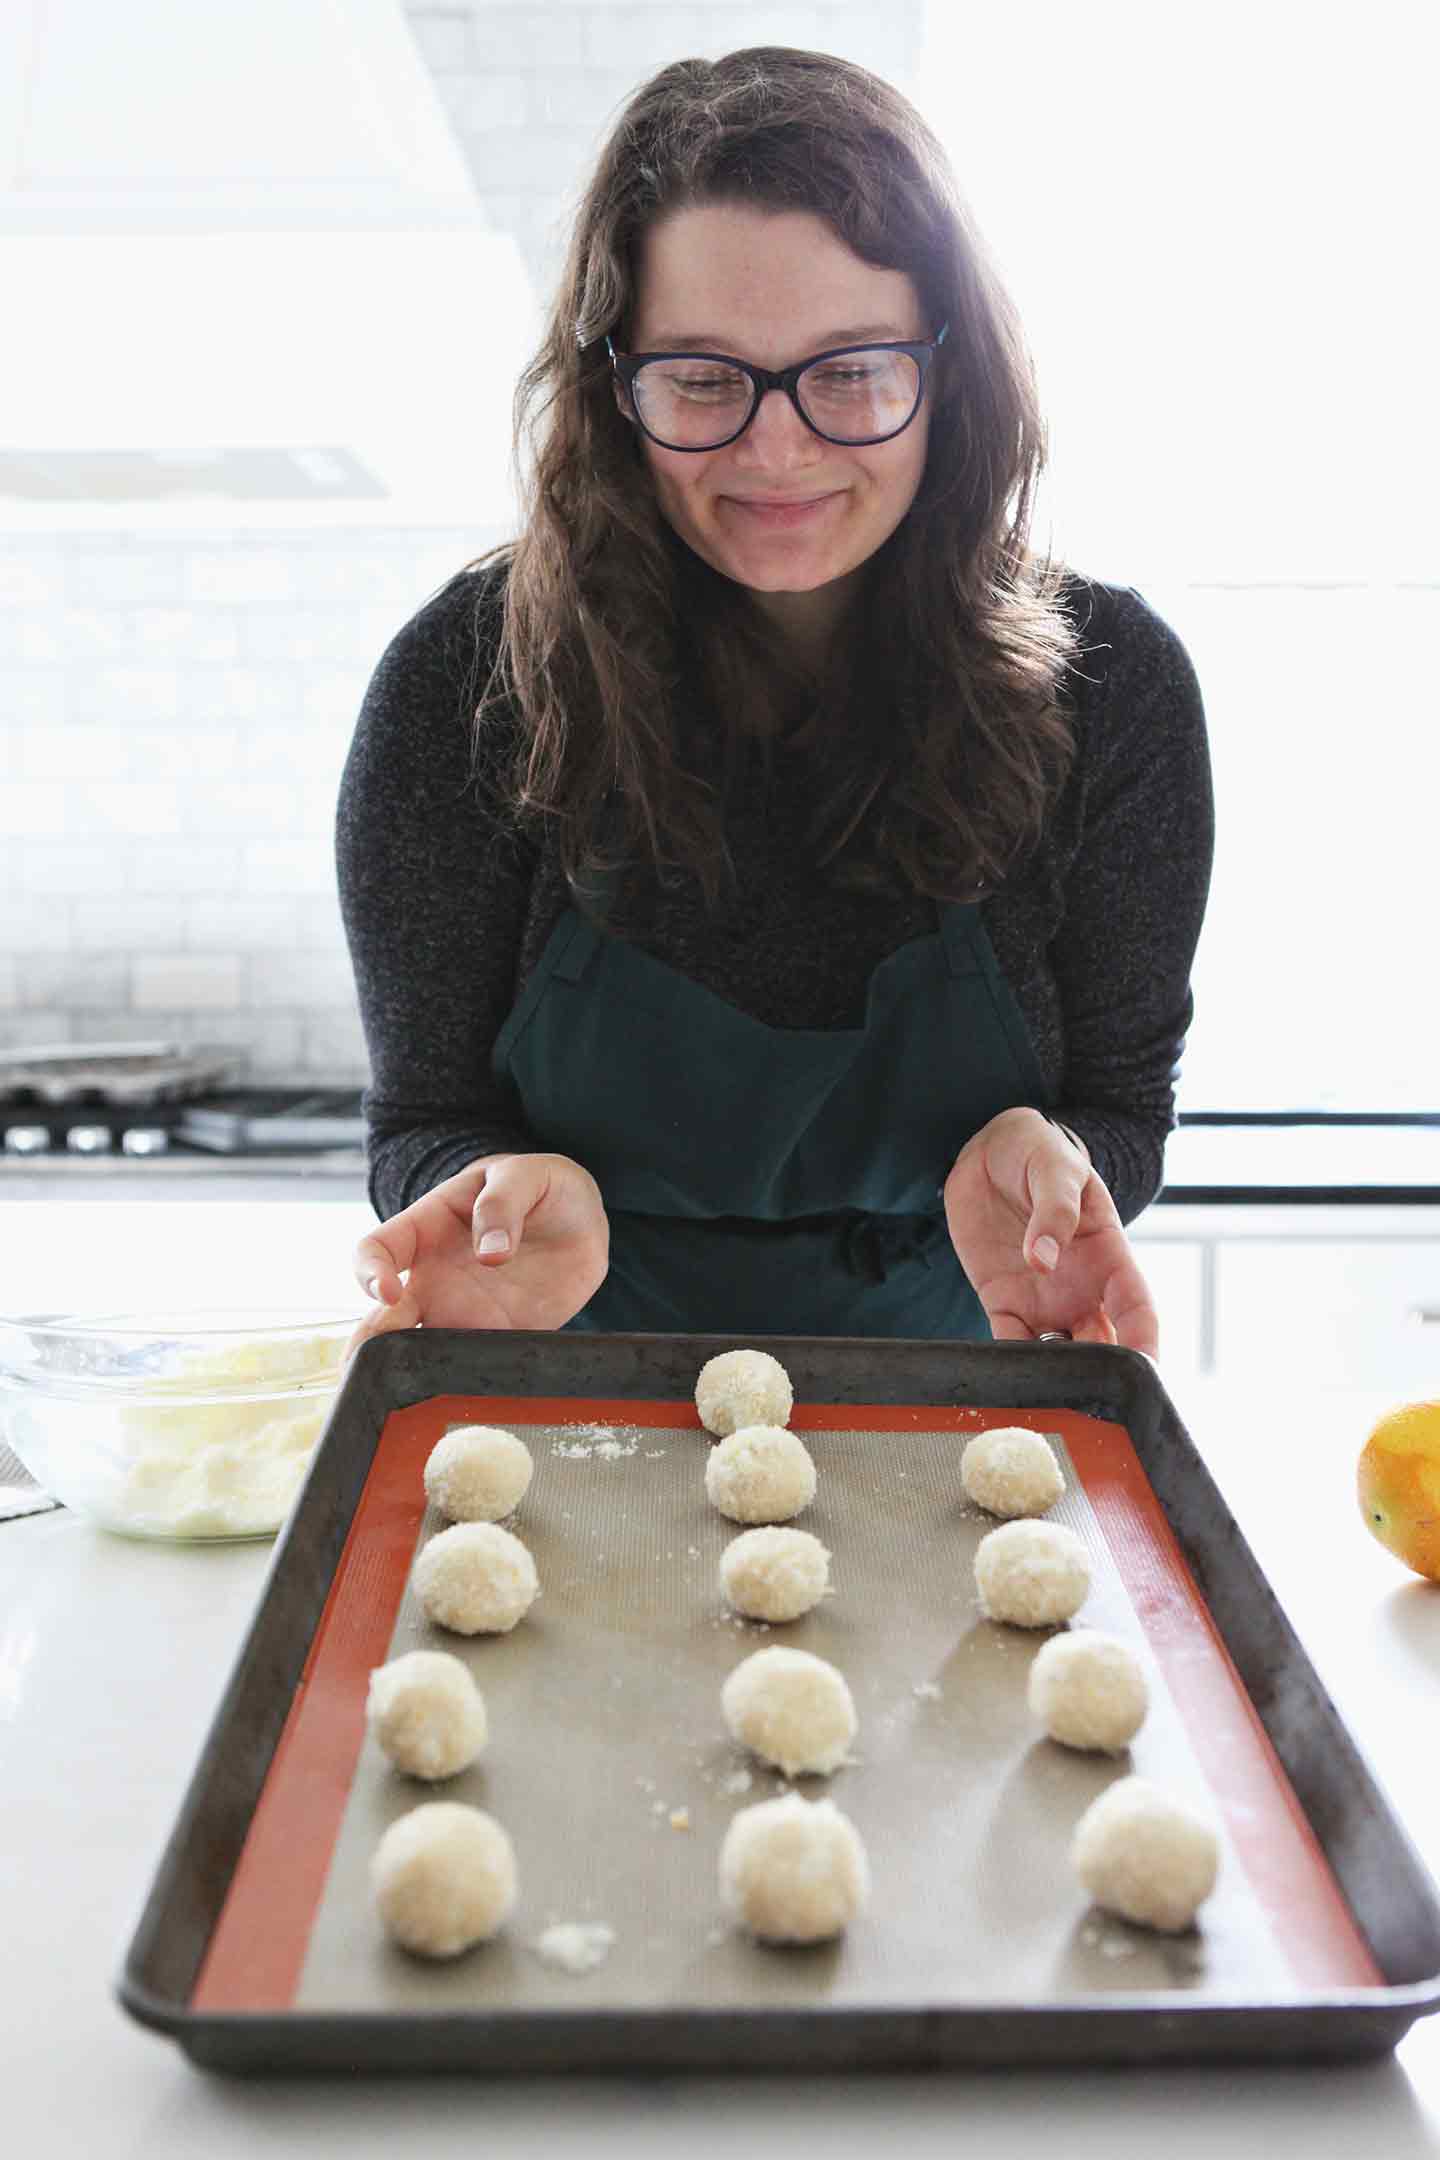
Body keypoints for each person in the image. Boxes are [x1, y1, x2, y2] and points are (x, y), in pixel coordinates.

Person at [336, 45, 1213, 1358]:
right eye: (703, 377)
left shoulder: (1115, 687)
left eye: (850, 370)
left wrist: (1055, 1167)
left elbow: (1123, 1104)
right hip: (564, 1422)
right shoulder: (465, 679)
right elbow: (424, 1118)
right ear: (611, 385)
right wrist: (493, 1195)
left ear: (951, 373)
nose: (778, 449)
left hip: (971, 1420)